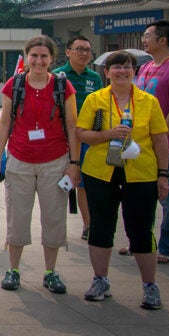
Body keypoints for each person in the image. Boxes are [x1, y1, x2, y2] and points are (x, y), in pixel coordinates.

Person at [77, 51, 169, 309]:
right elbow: (82, 133)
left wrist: (163, 175)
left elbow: (160, 139)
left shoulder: (149, 102)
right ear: (107, 72)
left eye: (127, 67)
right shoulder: (95, 100)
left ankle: (150, 286)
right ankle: (100, 280)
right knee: (101, 228)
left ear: (134, 71)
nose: (122, 71)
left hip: (140, 174)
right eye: (116, 67)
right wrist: (109, 133)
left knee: (141, 229)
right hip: (100, 173)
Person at [0, 35, 79, 293]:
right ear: (27, 57)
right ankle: (13, 269)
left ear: (52, 59)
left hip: (55, 161)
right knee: (17, 217)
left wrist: (74, 163)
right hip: (20, 160)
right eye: (34, 55)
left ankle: (50, 271)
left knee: (53, 217)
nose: (39, 61)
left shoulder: (63, 86)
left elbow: (72, 125)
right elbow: (4, 122)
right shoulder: (14, 85)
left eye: (44, 56)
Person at [124, 20, 169, 264]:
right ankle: (141, 242)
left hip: (162, 145)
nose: (144, 40)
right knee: (142, 196)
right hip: (139, 144)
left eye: (147, 35)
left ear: (163, 40)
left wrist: (160, 137)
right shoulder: (147, 67)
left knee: (167, 196)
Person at [54, 35, 102, 240]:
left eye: (87, 50)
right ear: (68, 52)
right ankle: (55, 226)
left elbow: (101, 108)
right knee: (58, 182)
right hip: (62, 138)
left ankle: (88, 224)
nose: (84, 54)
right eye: (79, 49)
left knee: (84, 182)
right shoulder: (58, 76)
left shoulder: (95, 78)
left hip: (87, 138)